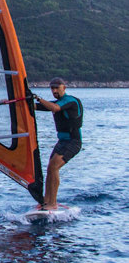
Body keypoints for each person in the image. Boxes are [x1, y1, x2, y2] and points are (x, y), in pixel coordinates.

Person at [34, 77, 83, 210]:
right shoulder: (58, 102)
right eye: (52, 88)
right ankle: (46, 201)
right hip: (62, 141)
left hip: (73, 142)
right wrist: (22, 100)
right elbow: (37, 107)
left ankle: (52, 203)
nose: (55, 90)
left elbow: (54, 108)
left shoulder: (70, 101)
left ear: (64, 87)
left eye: (57, 88)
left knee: (54, 167)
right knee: (50, 168)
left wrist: (38, 98)